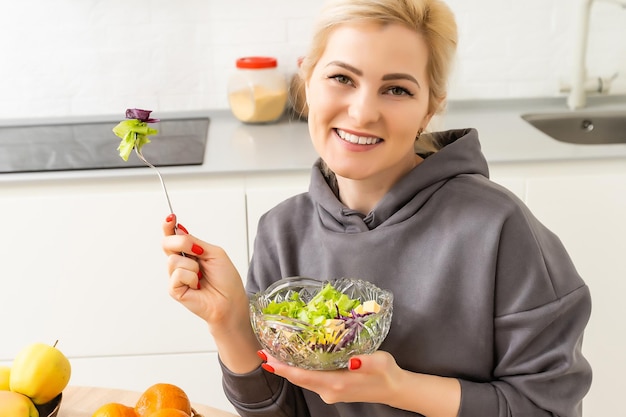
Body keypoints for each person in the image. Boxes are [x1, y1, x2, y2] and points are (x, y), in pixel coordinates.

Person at [161, 0, 592, 416]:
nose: (363, 112)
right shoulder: (281, 231)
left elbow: (546, 408)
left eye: (396, 89)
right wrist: (229, 321)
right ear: (308, 80)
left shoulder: (499, 230)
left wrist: (401, 389)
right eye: (342, 78)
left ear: (431, 107)